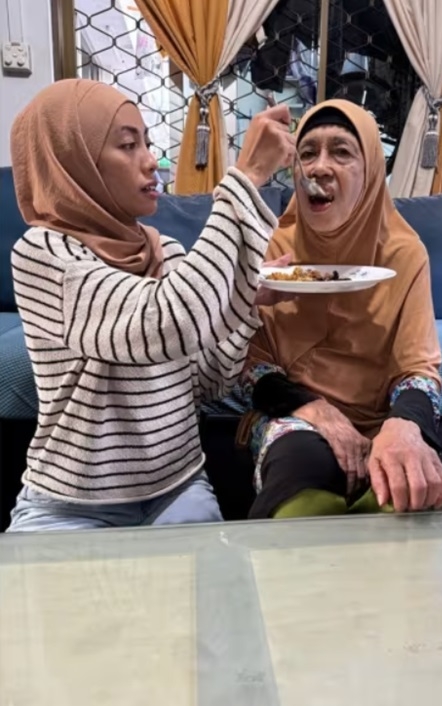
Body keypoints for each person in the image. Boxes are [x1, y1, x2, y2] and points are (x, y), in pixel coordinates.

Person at [6, 79, 295, 531]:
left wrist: (244, 301)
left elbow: (207, 381)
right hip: (69, 505)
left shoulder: (167, 253)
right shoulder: (43, 254)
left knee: (225, 600)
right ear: (73, 163)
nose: (150, 162)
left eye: (148, 142)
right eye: (127, 145)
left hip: (177, 488)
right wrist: (245, 179)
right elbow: (164, 323)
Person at [234, 99, 442, 519]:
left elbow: (418, 369)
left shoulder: (403, 254)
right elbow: (250, 367)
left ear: (370, 172)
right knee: (302, 465)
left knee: (409, 486)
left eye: (342, 152)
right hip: (293, 415)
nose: (319, 167)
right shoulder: (272, 250)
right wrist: (317, 411)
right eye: (307, 153)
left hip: (381, 417)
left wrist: (403, 427)